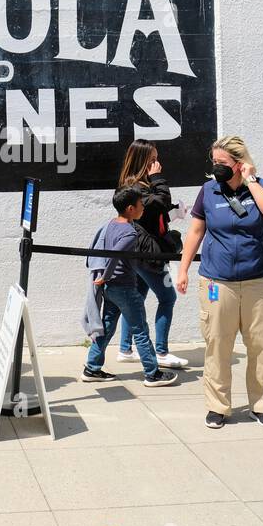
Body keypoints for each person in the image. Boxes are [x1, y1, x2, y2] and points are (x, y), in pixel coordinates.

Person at [176, 136, 263, 430]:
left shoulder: (262, 185)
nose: (215, 168)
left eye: (222, 163)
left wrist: (251, 182)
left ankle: (261, 405)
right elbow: (196, 232)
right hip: (216, 281)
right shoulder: (208, 191)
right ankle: (217, 407)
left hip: (258, 280)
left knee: (261, 346)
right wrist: (183, 269)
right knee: (218, 345)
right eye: (214, 163)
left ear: (239, 162)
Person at [84, 187, 179, 387]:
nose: (143, 208)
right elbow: (114, 255)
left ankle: (91, 367)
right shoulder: (130, 232)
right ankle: (152, 373)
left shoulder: (111, 224)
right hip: (124, 288)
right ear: (130, 208)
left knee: (107, 327)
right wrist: (104, 276)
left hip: (111, 289)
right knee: (141, 330)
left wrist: (105, 279)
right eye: (140, 204)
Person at [114, 140, 188, 371]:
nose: (158, 163)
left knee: (136, 298)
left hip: (142, 250)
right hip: (146, 253)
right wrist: (158, 180)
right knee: (168, 298)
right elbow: (159, 202)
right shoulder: (134, 186)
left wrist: (174, 212)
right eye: (153, 159)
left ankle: (126, 348)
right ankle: (162, 351)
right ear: (142, 160)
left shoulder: (140, 185)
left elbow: (157, 209)